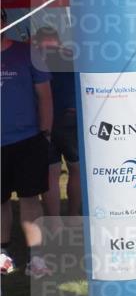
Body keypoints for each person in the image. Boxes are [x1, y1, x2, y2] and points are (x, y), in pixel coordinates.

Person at [1, 9, 53, 276]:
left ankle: (37, 256)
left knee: (30, 198)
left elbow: (44, 94)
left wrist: (45, 131)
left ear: (5, 22)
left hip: (28, 139)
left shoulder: (28, 52)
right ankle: (2, 252)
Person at [33, 27, 82, 218]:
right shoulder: (72, 56)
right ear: (57, 40)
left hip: (44, 121)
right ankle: (73, 214)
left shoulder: (35, 59)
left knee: (51, 174)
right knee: (75, 170)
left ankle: (53, 220)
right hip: (70, 119)